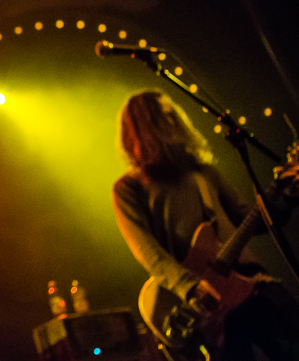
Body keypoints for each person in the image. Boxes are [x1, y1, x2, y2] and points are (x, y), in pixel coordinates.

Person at [111, 89, 299, 360]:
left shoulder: (204, 173)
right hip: (200, 301)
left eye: (171, 113)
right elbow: (148, 253)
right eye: (161, 115)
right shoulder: (128, 189)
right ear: (141, 128)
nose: (172, 119)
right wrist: (189, 286)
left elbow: (254, 221)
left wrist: (286, 198)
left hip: (246, 279)